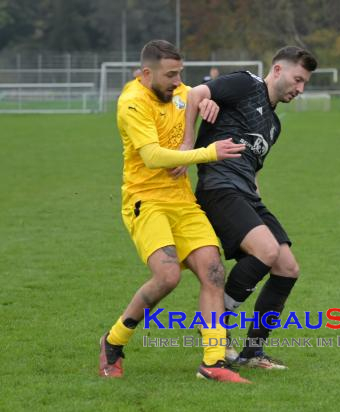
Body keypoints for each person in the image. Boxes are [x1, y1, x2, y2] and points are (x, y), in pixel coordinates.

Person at [98, 39, 250, 384]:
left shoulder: (180, 90)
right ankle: (114, 342)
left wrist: (207, 101)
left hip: (181, 201)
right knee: (168, 277)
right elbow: (152, 157)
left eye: (180, 73)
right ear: (147, 72)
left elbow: (194, 95)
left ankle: (213, 362)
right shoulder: (132, 102)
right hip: (145, 200)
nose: (176, 81)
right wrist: (205, 153)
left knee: (213, 272)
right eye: (170, 75)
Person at [179, 46, 318, 369]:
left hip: (245, 194)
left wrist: (257, 206)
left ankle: (252, 352)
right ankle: (216, 318)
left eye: (305, 83)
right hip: (218, 188)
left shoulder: (274, 125)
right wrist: (188, 144)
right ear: (278, 70)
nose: (300, 89)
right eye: (298, 79)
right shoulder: (245, 84)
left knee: (287, 268)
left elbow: (252, 171)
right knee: (266, 251)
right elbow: (196, 92)